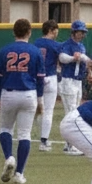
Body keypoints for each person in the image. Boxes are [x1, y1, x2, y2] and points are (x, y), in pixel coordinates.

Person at [0, 18, 46, 184]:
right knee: (24, 134)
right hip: (29, 94)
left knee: (5, 128)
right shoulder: (35, 51)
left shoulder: (5, 50)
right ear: (29, 32)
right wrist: (40, 100)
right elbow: (40, 80)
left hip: (9, 93)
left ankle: (9, 157)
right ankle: (19, 173)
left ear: (14, 32)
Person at [58, 20, 92, 155]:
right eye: (80, 32)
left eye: (83, 32)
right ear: (74, 32)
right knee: (71, 113)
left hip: (77, 81)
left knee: (75, 112)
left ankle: (68, 144)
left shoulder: (81, 46)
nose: (82, 35)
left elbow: (84, 58)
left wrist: (91, 71)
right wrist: (73, 58)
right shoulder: (66, 45)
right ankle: (71, 146)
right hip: (68, 80)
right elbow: (62, 58)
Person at [32, 19, 62, 151]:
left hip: (36, 78)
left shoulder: (35, 43)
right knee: (48, 111)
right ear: (51, 30)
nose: (57, 33)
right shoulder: (55, 45)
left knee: (39, 110)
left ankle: (40, 138)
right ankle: (44, 141)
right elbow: (61, 61)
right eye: (55, 30)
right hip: (50, 77)